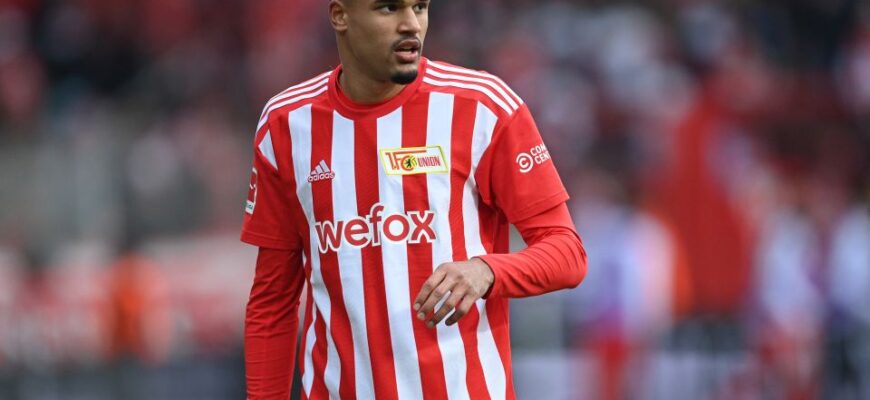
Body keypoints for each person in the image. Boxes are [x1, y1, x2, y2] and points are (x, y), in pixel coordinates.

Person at [240, 0, 588, 398]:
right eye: (389, 8)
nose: (411, 24)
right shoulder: (286, 124)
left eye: (419, 6)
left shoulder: (483, 106)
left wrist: (486, 271)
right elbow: (273, 302)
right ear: (340, 16)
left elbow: (568, 254)